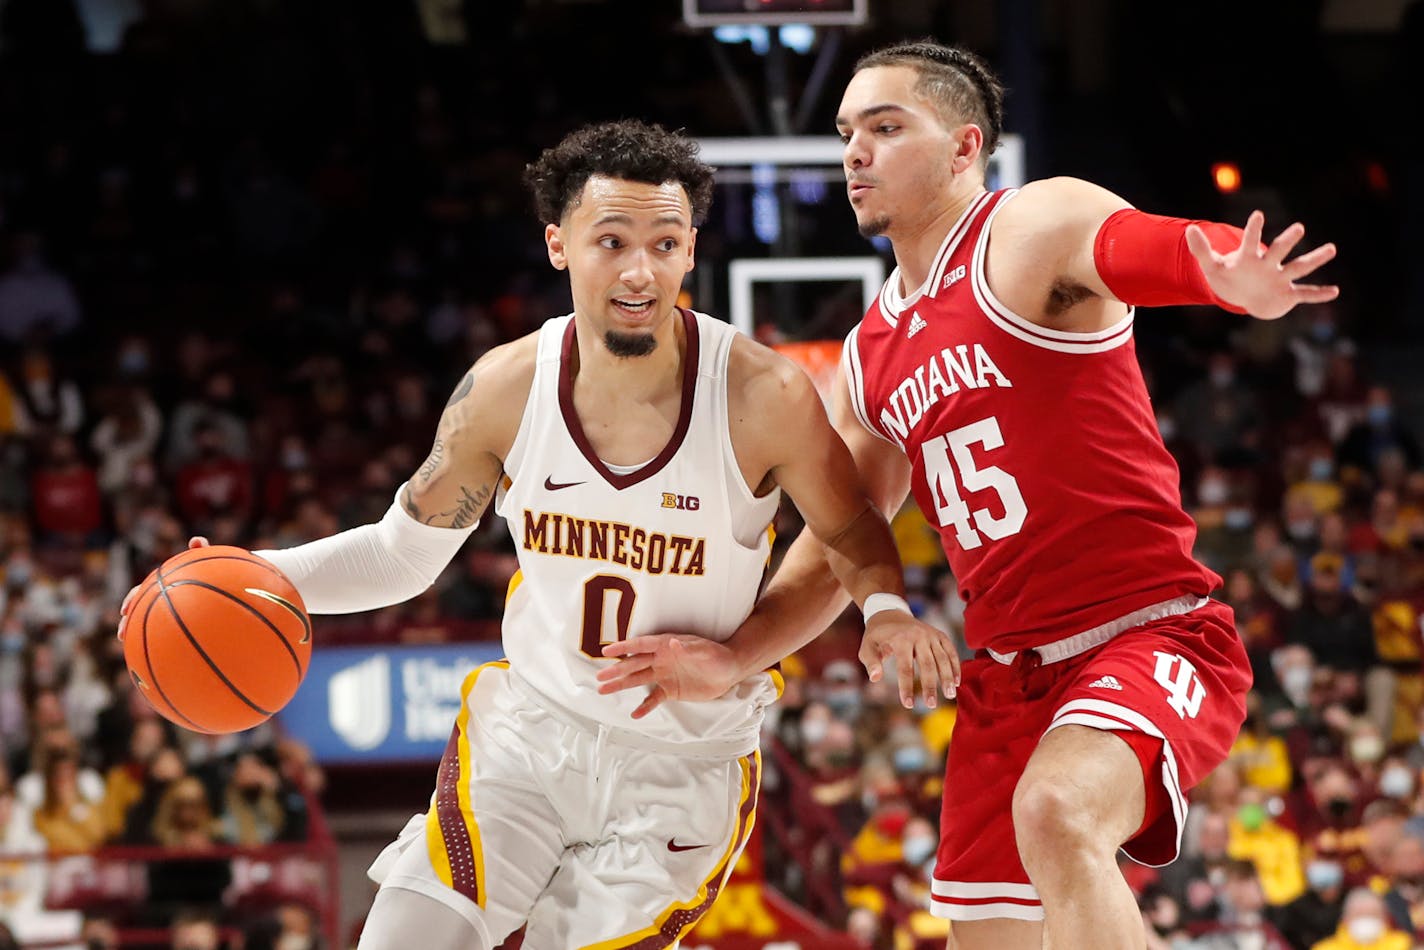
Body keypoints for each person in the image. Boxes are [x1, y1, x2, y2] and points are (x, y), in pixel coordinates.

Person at [120, 120, 952, 949]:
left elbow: (849, 525)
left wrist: (882, 609)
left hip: (682, 764)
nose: (639, 270)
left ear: (691, 251)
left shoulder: (763, 394)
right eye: (611, 240)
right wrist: (251, 575)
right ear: (558, 244)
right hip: (528, 738)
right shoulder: (505, 388)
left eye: (665, 244)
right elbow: (403, 552)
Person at [599, 40, 1337, 949]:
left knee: (1060, 810)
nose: (854, 153)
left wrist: (1218, 268)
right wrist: (741, 653)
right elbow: (842, 536)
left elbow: (1139, 244)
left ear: (962, 147)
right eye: (845, 133)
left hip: (1147, 630)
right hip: (1004, 679)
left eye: (885, 126)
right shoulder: (871, 354)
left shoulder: (1028, 230)